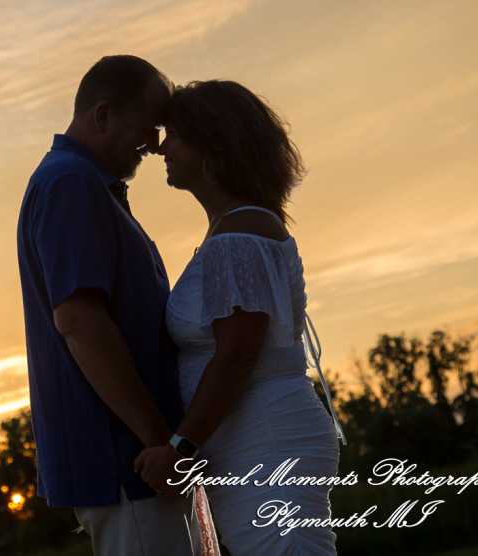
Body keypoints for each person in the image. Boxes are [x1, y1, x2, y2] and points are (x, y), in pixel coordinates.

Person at [16, 56, 214, 555]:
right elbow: (80, 322)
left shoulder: (86, 186)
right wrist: (161, 444)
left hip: (136, 459)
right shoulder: (70, 184)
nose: (156, 144)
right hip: (128, 460)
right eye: (148, 129)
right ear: (102, 115)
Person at [135, 80, 342, 554]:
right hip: (248, 439)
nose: (163, 146)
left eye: (177, 133)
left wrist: (180, 450)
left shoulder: (240, 234)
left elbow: (238, 355)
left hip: (265, 439)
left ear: (215, 142)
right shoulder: (231, 229)